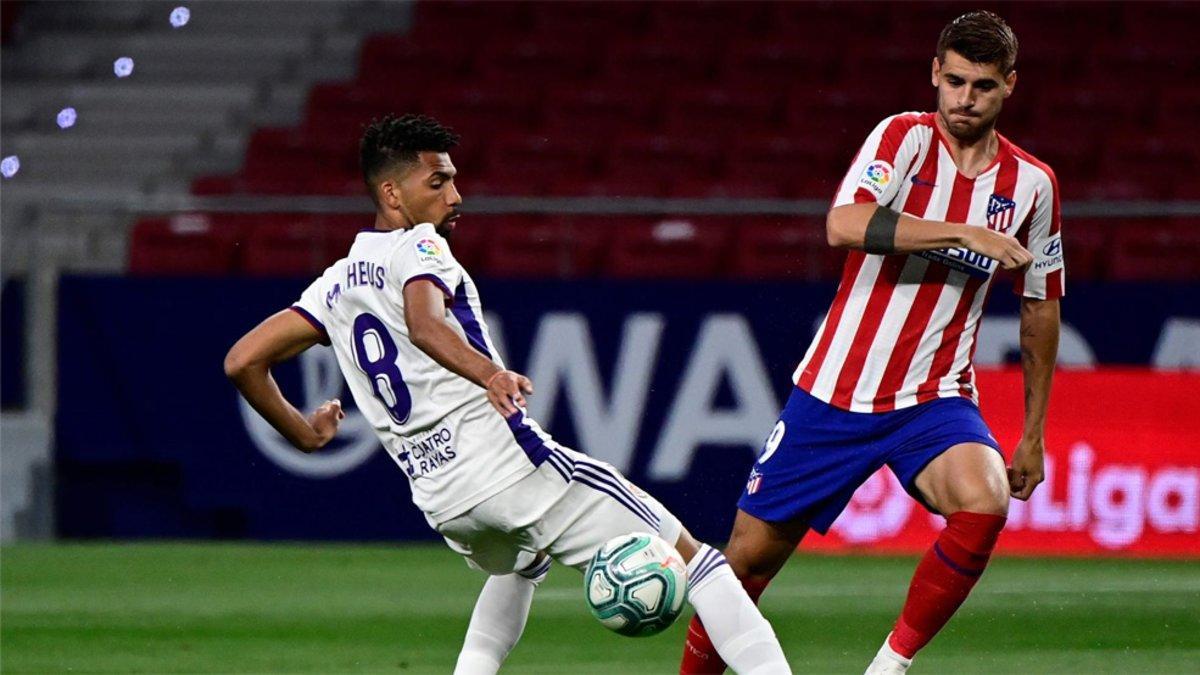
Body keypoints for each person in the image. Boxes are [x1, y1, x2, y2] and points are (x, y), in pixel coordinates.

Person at [224, 114, 791, 675]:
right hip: (509, 468)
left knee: (522, 562)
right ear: (392, 193)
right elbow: (424, 323)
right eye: (438, 182)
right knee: (700, 562)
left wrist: (304, 433)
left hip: (444, 503)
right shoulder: (419, 247)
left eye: (453, 180)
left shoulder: (334, 283)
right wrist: (488, 375)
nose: (456, 196)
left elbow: (242, 361)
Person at [680, 11, 1062, 675]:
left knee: (986, 497)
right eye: (954, 81)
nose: (964, 99)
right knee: (742, 567)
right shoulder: (904, 139)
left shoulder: (1033, 186)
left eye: (982, 86)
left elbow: (1041, 305)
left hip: (933, 397)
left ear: (1010, 87)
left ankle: (888, 666)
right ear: (934, 75)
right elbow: (844, 222)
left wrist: (1032, 430)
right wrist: (962, 233)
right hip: (834, 391)